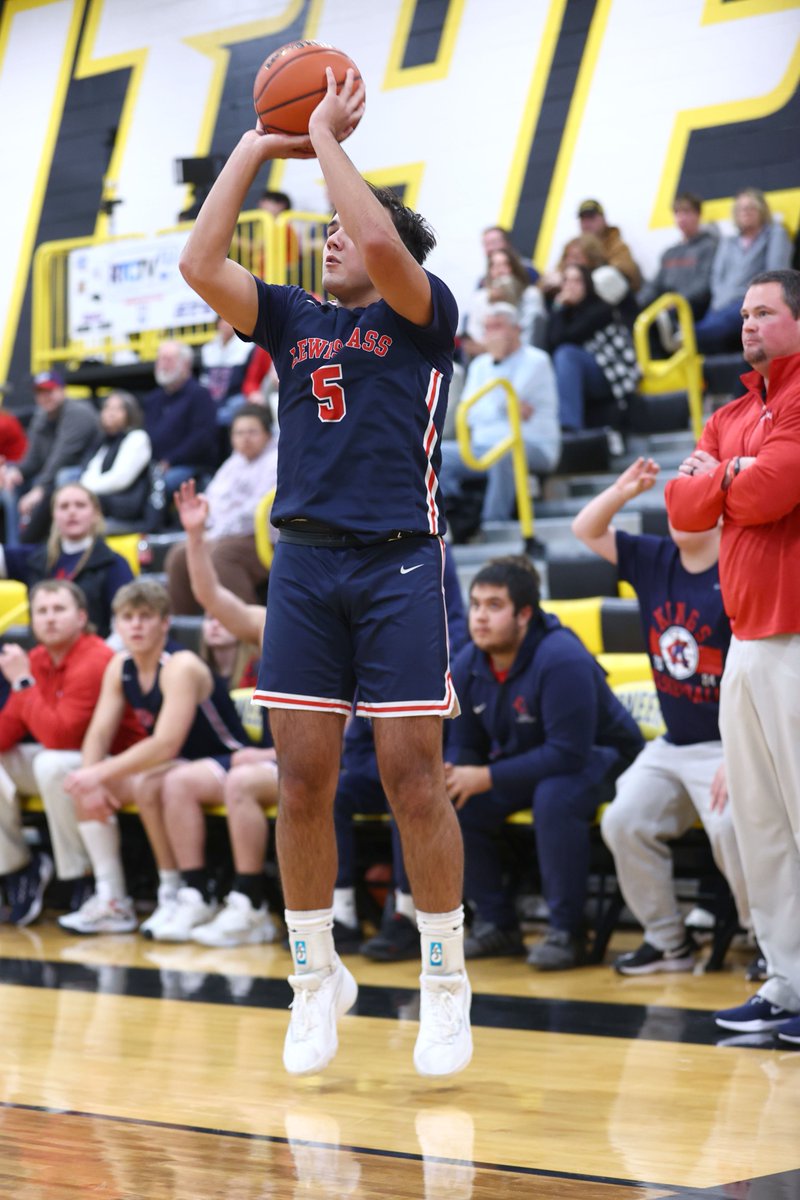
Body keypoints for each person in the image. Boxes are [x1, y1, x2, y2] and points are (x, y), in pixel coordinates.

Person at [178, 66, 472, 1078]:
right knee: (300, 779)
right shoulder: (295, 318)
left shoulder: (422, 310)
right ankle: (313, 981)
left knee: (411, 781)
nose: (332, 235)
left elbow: (381, 239)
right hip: (303, 565)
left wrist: (331, 142)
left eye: (341, 224)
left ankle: (443, 986)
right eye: (331, 228)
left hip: (398, 564)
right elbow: (198, 259)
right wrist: (264, 145)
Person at [664, 267, 800, 1048]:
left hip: (791, 641)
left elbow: (769, 493)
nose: (748, 324)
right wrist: (727, 478)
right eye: (744, 313)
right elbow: (686, 509)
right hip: (745, 644)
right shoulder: (730, 413)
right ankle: (787, 980)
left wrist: (722, 480)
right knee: (760, 825)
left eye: (765, 313)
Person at [572, 458, 751, 974]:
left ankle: (769, 942)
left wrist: (741, 757)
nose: (677, 511)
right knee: (624, 819)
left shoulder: (740, 565)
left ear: (717, 512)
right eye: (673, 500)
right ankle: (668, 942)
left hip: (731, 745)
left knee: (734, 825)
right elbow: (586, 527)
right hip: (674, 745)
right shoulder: (654, 557)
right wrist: (624, 488)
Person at [445, 556, 643, 969]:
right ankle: (496, 924)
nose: (480, 617)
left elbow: (569, 752)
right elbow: (465, 745)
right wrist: (460, 774)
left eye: (494, 606)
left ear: (524, 614)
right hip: (535, 761)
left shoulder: (560, 657)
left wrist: (486, 775)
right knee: (456, 800)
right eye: (476, 604)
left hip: (608, 759)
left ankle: (568, 931)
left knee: (555, 796)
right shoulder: (467, 662)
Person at [59, 579, 250, 936]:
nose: (135, 625)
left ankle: (179, 892)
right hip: (177, 765)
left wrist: (98, 774)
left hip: (222, 759)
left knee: (145, 783)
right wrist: (91, 776)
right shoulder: (121, 666)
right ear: (116, 625)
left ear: (165, 623)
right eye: (128, 617)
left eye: (145, 617)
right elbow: (98, 734)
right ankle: (112, 899)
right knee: (83, 784)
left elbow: (165, 743)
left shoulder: (181, 665)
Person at [147, 481, 278, 947]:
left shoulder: (344, 627)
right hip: (270, 755)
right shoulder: (269, 624)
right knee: (177, 782)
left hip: (318, 756)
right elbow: (211, 597)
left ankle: (251, 902)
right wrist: (197, 539)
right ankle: (197, 893)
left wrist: (264, 756)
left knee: (242, 780)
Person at [333, 546, 469, 962]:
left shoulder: (455, 641)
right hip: (375, 762)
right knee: (334, 790)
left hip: (431, 763)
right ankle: (341, 914)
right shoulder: (362, 638)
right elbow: (356, 741)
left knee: (410, 788)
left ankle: (408, 915)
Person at [0, 580, 143, 926]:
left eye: (59, 610)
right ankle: (19, 869)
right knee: (42, 764)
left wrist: (21, 684)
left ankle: (83, 878)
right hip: (72, 761)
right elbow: (7, 733)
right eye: (42, 611)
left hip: (119, 762)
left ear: (81, 617)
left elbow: (62, 735)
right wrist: (25, 685)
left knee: (53, 764)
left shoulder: (95, 658)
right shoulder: (35, 659)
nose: (49, 619)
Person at [440, 303, 561, 531]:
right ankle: (454, 515)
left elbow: (503, 398)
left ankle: (493, 524)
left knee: (504, 453)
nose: (492, 334)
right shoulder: (479, 365)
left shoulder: (537, 360)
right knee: (438, 454)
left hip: (534, 445)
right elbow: (469, 414)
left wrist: (497, 363)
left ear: (516, 329)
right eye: (487, 328)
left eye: (498, 326)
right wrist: (505, 407)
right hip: (482, 445)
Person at [164, 404, 278, 615]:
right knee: (180, 554)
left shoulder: (277, 460)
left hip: (263, 540)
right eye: (239, 433)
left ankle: (248, 632)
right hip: (223, 535)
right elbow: (210, 501)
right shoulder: (232, 464)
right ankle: (185, 627)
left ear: (267, 434)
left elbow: (257, 512)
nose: (245, 438)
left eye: (252, 432)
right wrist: (207, 531)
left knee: (222, 555)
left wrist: (216, 534)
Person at [0, 483, 134, 638]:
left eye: (80, 505)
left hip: (95, 655)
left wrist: (106, 659)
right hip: (42, 656)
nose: (72, 512)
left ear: (96, 513)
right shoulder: (35, 558)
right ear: (54, 515)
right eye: (64, 506)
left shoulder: (113, 563)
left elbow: (126, 623)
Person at [0, 370, 100, 545]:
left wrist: (39, 488)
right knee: (9, 485)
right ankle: (13, 548)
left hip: (84, 473)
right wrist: (16, 472)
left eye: (50, 391)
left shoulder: (78, 413)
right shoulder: (42, 415)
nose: (45, 397)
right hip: (50, 475)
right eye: (40, 392)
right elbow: (32, 458)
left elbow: (62, 457)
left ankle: (53, 543)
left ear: (62, 390)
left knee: (61, 480)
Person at [693, 189, 792, 355]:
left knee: (703, 332)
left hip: (753, 302)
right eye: (741, 209)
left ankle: (683, 336)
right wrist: (721, 301)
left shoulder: (775, 234)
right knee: (710, 333)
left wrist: (747, 298)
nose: (746, 212)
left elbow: (776, 275)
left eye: (751, 208)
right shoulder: (728, 242)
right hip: (722, 304)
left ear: (762, 210)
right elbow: (717, 277)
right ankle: (686, 336)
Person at [546, 264, 640, 431]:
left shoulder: (601, 309)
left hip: (612, 373)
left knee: (566, 354)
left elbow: (566, 338)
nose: (570, 286)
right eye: (566, 281)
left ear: (587, 285)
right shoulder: (566, 312)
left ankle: (569, 428)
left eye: (577, 281)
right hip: (586, 372)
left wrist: (560, 308)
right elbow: (550, 343)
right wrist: (559, 308)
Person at [141, 340, 218, 501]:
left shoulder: (200, 395)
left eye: (168, 360)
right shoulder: (152, 399)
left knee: (163, 483)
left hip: (190, 465)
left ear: (186, 364)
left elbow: (201, 438)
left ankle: (157, 525)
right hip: (156, 464)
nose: (162, 365)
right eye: (160, 359)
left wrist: (170, 460)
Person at [638, 192, 718, 324]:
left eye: (686, 212)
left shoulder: (709, 247)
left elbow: (704, 285)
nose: (681, 218)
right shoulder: (669, 252)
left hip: (690, 309)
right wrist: (639, 301)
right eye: (677, 213)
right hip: (667, 307)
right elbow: (655, 284)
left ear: (698, 215)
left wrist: (676, 301)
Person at [80, 391, 153, 528]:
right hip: (102, 502)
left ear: (130, 412)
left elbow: (120, 480)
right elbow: (90, 471)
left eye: (117, 409)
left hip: (126, 505)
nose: (110, 413)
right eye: (107, 408)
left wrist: (84, 492)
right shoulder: (104, 441)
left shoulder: (137, 438)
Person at [461, 247, 545, 358]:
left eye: (505, 265)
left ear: (515, 268)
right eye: (494, 266)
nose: (500, 271)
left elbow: (530, 334)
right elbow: (475, 333)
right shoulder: (480, 297)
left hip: (520, 353)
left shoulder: (530, 294)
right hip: (485, 354)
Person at [199, 316, 254, 425]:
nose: (225, 325)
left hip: (235, 398)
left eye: (228, 321)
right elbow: (204, 379)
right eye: (222, 322)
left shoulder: (247, 347)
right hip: (213, 399)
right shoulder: (208, 349)